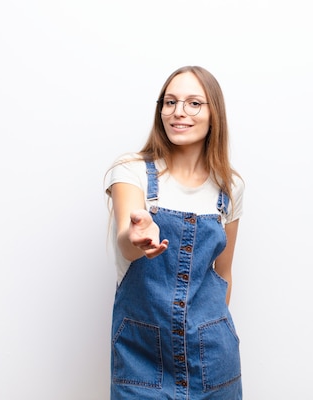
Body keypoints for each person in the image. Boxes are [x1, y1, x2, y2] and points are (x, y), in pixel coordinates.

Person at [103, 66, 244, 399]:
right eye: (170, 102)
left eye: (194, 103)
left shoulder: (230, 188)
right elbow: (127, 242)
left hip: (213, 357)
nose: (178, 112)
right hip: (140, 359)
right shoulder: (131, 171)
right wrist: (138, 237)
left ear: (214, 115)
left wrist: (208, 334)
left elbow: (223, 274)